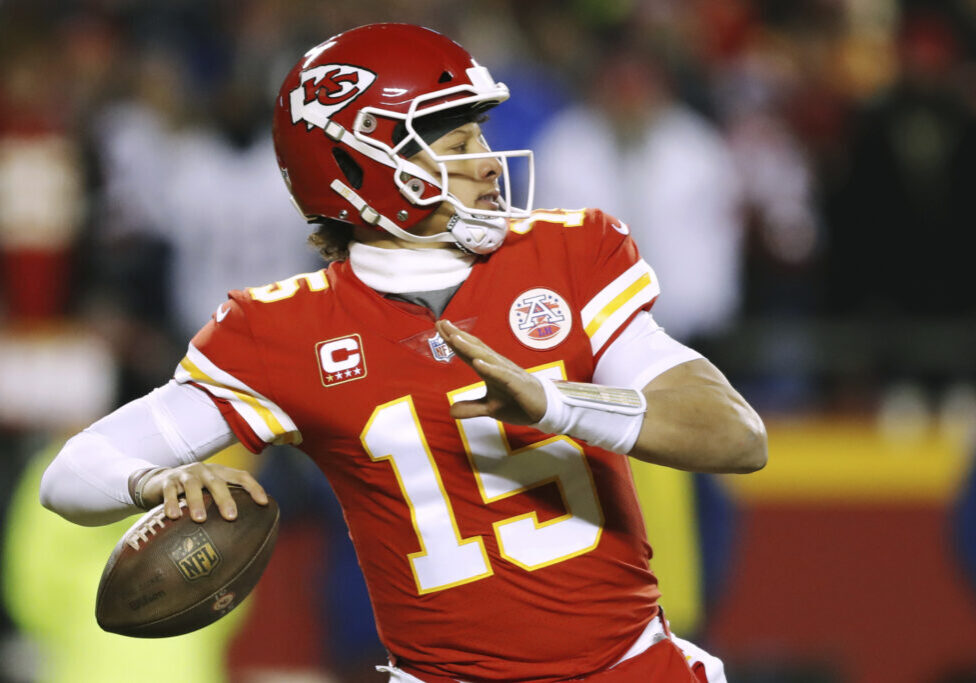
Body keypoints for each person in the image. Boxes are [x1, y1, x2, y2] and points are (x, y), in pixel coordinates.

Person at [39, 23, 767, 683]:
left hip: (630, 669)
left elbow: (735, 434)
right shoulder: (281, 329)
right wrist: (155, 484)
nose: (489, 163)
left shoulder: (569, 252)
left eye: (479, 136)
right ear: (359, 172)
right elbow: (72, 474)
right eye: (459, 147)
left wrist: (554, 402)